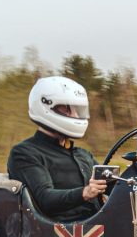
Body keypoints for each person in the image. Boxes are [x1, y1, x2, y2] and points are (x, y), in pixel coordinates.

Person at [7, 76, 106, 222]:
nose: (76, 115)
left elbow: (116, 188)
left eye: (77, 110)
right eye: (68, 109)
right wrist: (85, 192)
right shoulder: (25, 153)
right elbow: (45, 199)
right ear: (47, 106)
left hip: (101, 225)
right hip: (63, 234)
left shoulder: (84, 155)